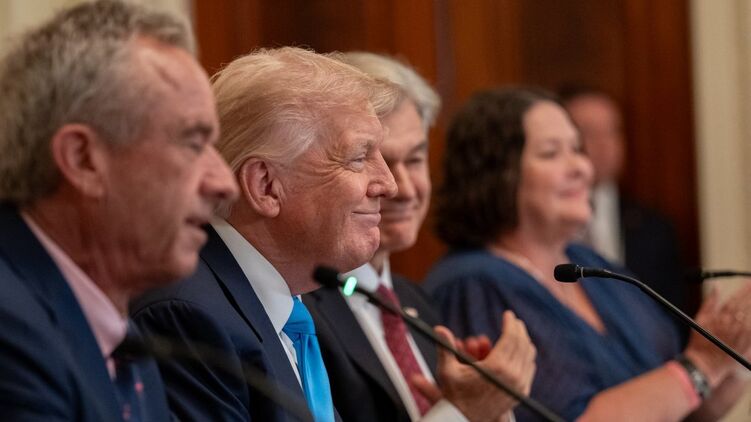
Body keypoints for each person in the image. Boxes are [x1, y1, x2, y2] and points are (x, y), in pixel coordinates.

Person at [132, 47, 536, 422]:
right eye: (359, 158)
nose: (389, 184)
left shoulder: (285, 307)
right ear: (266, 186)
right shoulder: (188, 317)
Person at [424, 87, 751, 421]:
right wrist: (702, 364)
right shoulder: (473, 286)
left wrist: (733, 354)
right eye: (551, 153)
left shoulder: (589, 264)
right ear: (496, 175)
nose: (581, 166)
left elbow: (686, 408)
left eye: (577, 149)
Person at [0, 0, 238, 420]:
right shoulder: (11, 331)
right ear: (83, 160)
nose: (224, 184)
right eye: (192, 143)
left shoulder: (117, 328)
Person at [304, 52, 536, 422]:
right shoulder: (301, 311)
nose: (403, 188)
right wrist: (461, 412)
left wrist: (488, 411)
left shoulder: (417, 303)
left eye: (414, 160)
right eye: (369, 160)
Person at [560, 86, 693, 315]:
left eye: (612, 131)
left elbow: (673, 316)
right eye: (588, 132)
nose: (603, 144)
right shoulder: (541, 222)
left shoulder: (655, 228)